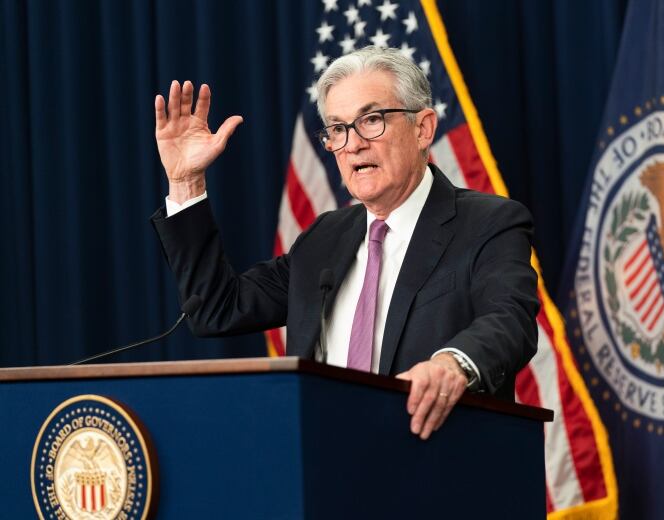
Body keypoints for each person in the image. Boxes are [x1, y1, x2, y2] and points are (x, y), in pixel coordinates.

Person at [151, 46, 539, 440]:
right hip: (324, 468)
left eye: (371, 120)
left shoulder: (488, 223)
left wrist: (451, 365)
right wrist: (185, 183)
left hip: (432, 470)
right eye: (337, 129)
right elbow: (218, 310)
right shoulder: (324, 238)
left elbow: (509, 319)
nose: (352, 144)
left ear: (423, 128)